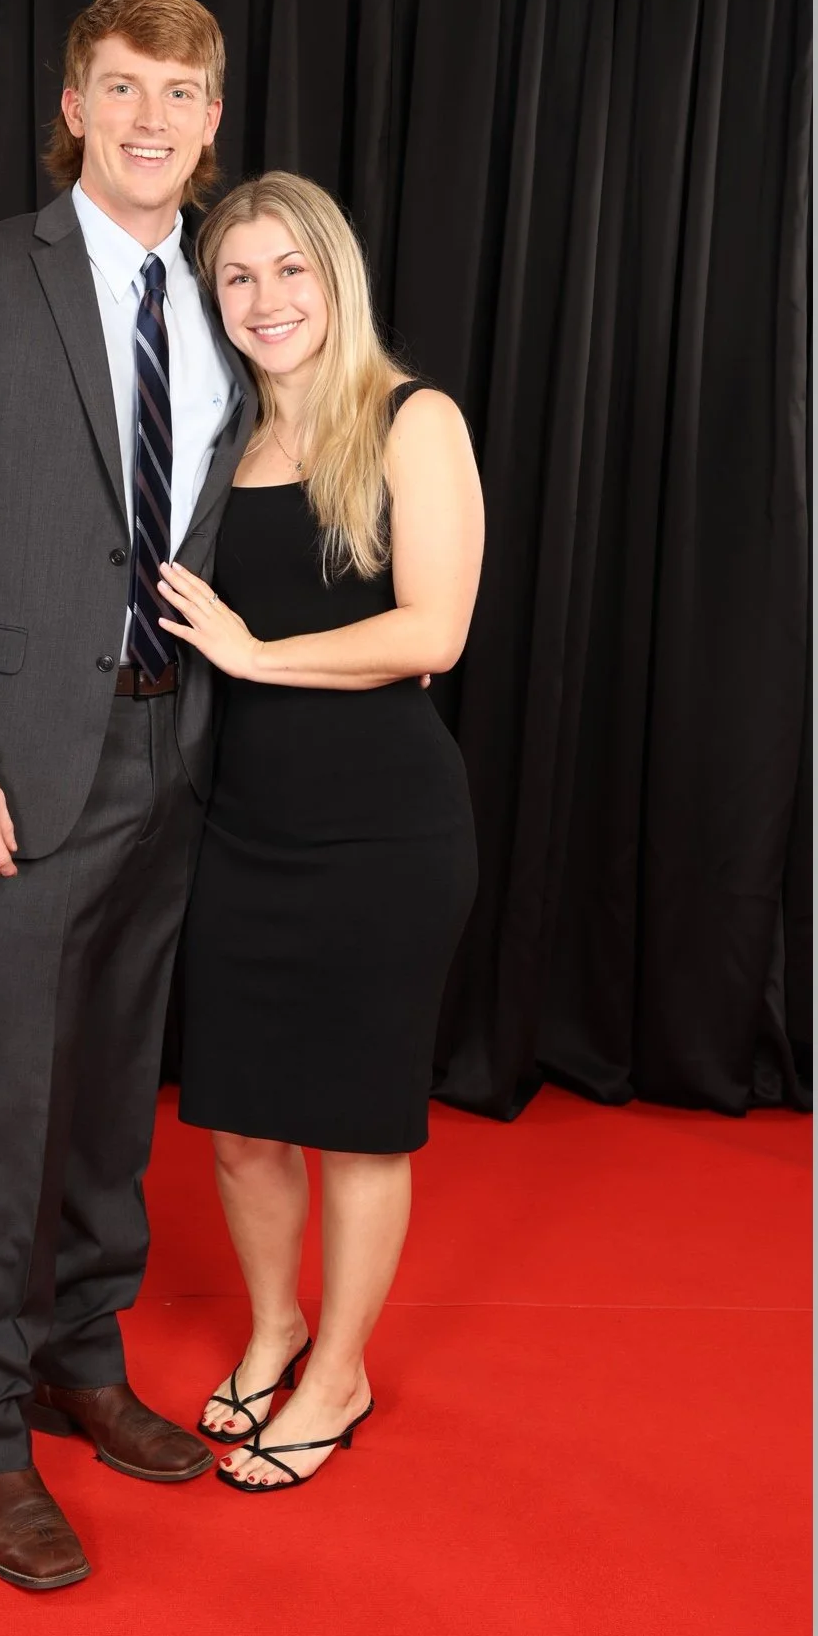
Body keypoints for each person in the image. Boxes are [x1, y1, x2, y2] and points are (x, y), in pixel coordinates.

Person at [0, 0, 257, 1589]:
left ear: (214, 119)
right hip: (16, 761)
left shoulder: (235, 298)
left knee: (113, 1081)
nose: (153, 118)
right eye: (122, 86)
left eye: (181, 92)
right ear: (76, 107)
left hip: (175, 744)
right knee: (15, 1094)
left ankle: (81, 1362)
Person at [155, 170, 484, 1492]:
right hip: (243, 826)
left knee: (354, 1123)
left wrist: (252, 651)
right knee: (238, 1123)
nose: (265, 297)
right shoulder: (219, 447)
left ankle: (338, 1375)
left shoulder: (412, 420)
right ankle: (277, 1325)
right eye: (237, 276)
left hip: (384, 834)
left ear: (334, 277)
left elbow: (433, 634)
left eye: (290, 269)